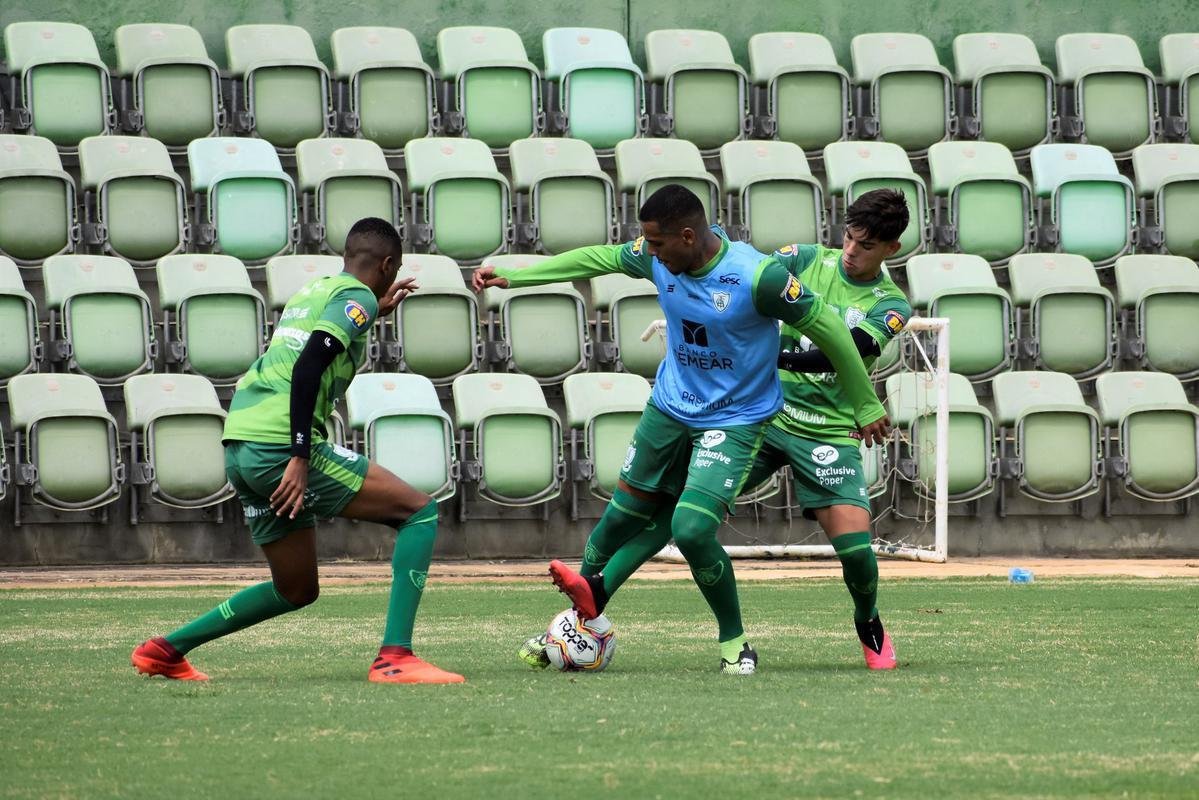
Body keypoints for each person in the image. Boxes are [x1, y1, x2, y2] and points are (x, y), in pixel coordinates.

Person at [473, 185, 890, 674]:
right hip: (670, 408)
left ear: (688, 236)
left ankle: (735, 642)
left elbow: (830, 328)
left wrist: (864, 403)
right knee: (620, 517)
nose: (648, 253)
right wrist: (518, 275)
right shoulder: (658, 255)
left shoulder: (759, 276)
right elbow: (597, 257)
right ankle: (574, 622)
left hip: (737, 418)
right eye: (646, 244)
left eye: (656, 244)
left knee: (691, 530)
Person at [131, 217, 464, 685]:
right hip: (279, 447)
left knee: (296, 588)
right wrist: (300, 456)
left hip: (241, 442)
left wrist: (372, 311)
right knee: (419, 513)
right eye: (396, 267)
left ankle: (166, 650)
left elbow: (306, 347)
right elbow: (309, 367)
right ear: (388, 265)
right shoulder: (359, 298)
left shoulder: (317, 291)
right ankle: (395, 657)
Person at [739, 188, 912, 670]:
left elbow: (843, 350)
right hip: (765, 413)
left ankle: (868, 623)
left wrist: (772, 356)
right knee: (683, 506)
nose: (852, 252)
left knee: (858, 555)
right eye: (849, 239)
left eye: (867, 246)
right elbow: (744, 288)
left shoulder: (891, 304)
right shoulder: (803, 260)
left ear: (891, 249)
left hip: (829, 433)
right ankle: (595, 599)